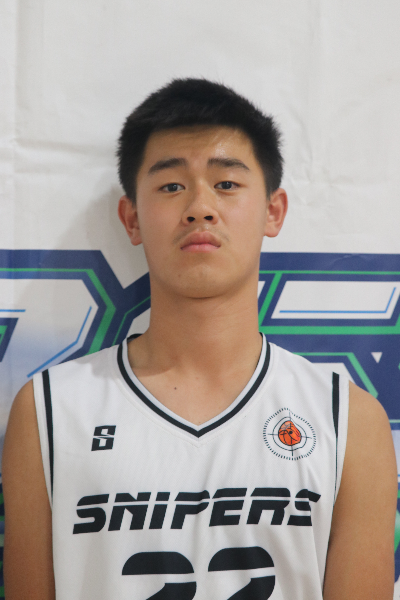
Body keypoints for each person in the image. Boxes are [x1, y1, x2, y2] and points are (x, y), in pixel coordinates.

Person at [2, 78, 397, 600]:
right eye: (171, 186)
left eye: (226, 183)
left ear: (273, 211)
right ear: (132, 218)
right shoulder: (49, 411)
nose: (199, 208)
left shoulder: (348, 421)